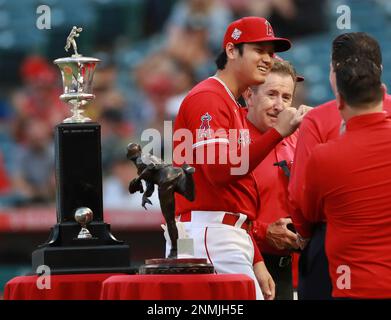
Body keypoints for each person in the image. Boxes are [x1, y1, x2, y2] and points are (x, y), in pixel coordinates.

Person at [172, 16, 307, 300]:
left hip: (228, 231)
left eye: (271, 53)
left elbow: (235, 197)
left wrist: (256, 259)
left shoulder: (228, 101)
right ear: (232, 51)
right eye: (259, 50)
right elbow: (220, 173)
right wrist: (278, 133)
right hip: (209, 230)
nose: (268, 59)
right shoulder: (208, 97)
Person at [289, 32, 391, 299]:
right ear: (379, 74)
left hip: (336, 256)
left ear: (335, 73)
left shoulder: (318, 122)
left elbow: (301, 206)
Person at [243, 58, 308, 299]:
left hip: (299, 271)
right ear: (249, 95)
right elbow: (217, 213)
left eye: (286, 97)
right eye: (272, 94)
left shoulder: (301, 135)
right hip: (250, 267)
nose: (280, 106)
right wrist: (263, 232)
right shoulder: (230, 140)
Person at [127, 143, 195, 258]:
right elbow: (150, 183)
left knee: (170, 220)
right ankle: (188, 175)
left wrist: (138, 179)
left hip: (165, 180)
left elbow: (153, 167)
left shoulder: (141, 159)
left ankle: (175, 250)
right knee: (190, 196)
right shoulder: (145, 157)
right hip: (176, 172)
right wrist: (145, 195)